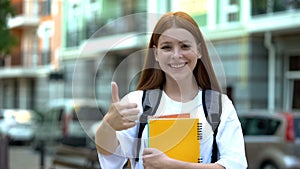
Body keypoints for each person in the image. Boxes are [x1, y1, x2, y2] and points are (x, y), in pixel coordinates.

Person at [95, 11, 248, 169]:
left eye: (185, 46)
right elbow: (110, 155)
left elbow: (235, 165)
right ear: (156, 53)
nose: (176, 55)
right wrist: (108, 124)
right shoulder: (137, 102)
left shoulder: (220, 106)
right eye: (167, 47)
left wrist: (171, 165)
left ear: (199, 50)